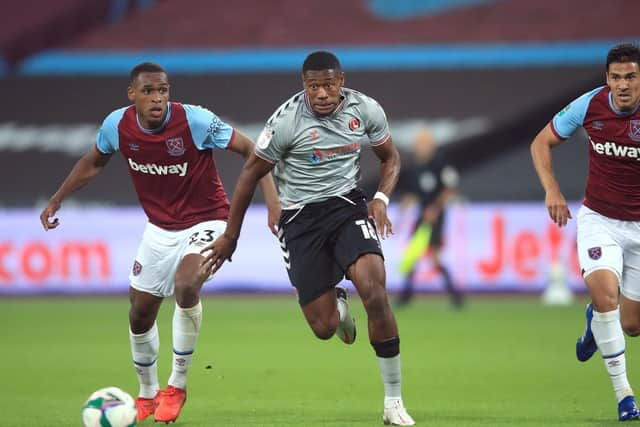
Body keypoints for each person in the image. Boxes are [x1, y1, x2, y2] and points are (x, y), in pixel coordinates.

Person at [39, 62, 280, 423]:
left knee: (186, 284)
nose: (158, 98)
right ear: (132, 95)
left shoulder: (195, 121)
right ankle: (147, 393)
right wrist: (58, 198)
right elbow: (93, 162)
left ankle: (177, 385)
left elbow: (253, 152)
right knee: (139, 312)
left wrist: (273, 204)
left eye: (163, 91)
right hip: (159, 230)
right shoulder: (117, 126)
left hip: (209, 220)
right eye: (149, 91)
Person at [201, 51, 415, 426]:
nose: (322, 93)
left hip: (347, 205)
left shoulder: (364, 110)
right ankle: (336, 300)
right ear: (304, 86)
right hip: (299, 219)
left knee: (375, 289)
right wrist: (230, 236)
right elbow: (250, 174)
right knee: (324, 327)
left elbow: (391, 158)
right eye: (314, 86)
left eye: (329, 84)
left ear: (341, 81)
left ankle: (393, 402)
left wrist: (380, 199)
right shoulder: (285, 122)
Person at [530, 43, 640, 422]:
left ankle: (595, 317)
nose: (622, 85)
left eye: (630, 77)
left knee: (633, 325)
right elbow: (541, 142)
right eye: (616, 77)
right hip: (599, 220)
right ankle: (624, 396)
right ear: (607, 79)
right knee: (609, 297)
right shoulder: (590, 105)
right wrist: (552, 189)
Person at [395, 126, 463, 308]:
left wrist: (435, 208)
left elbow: (450, 190)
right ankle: (406, 296)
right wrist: (401, 213)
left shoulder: (441, 165)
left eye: (424, 143)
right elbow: (412, 194)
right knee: (413, 254)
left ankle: (456, 297)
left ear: (432, 145)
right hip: (421, 216)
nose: (420, 147)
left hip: (436, 216)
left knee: (434, 256)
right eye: (418, 143)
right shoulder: (414, 168)